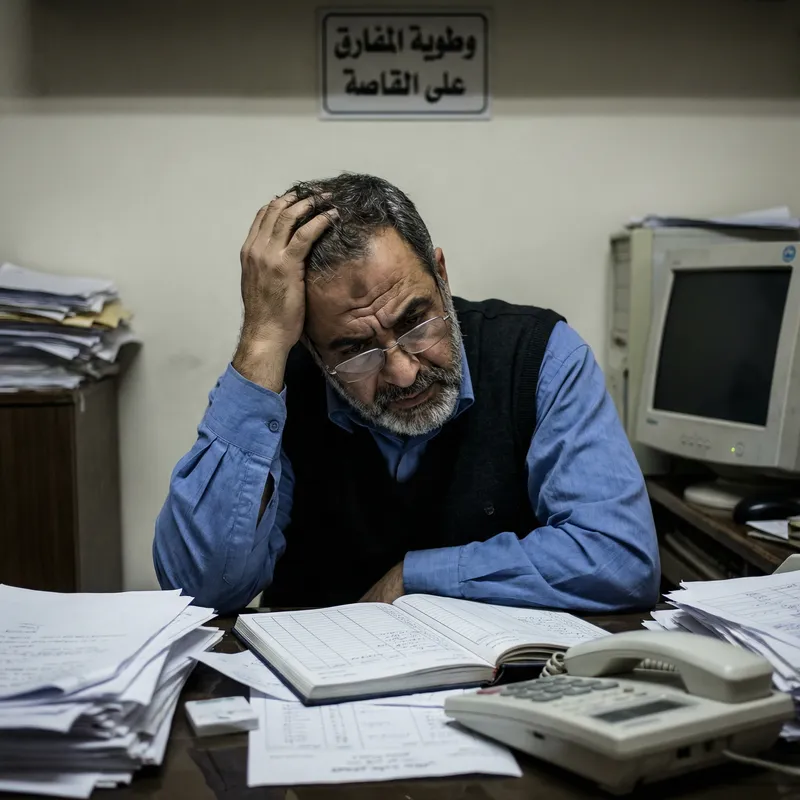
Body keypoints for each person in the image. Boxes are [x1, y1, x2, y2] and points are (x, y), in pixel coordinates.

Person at [153, 174, 659, 614]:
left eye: (416, 322)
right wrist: (261, 342)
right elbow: (200, 591)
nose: (400, 371)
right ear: (308, 340)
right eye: (355, 349)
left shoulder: (539, 355)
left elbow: (619, 559)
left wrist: (416, 578)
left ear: (440, 273)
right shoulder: (282, 388)